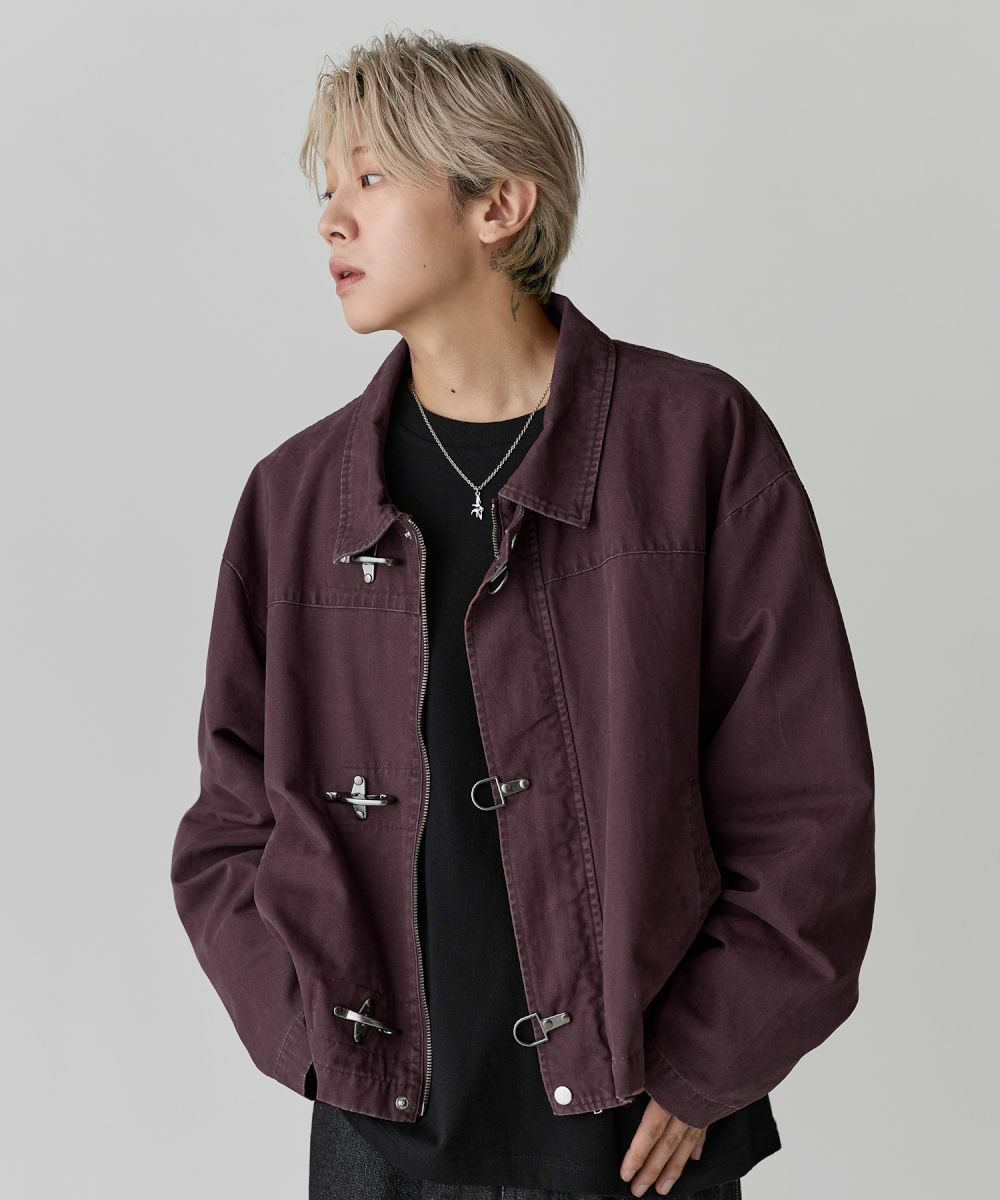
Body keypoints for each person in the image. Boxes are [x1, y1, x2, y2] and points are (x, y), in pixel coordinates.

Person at [171, 28, 875, 1200]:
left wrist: (709, 1064)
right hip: (382, 1137)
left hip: (641, 1135)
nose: (330, 220)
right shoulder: (296, 498)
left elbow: (806, 801)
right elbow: (230, 823)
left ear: (497, 205)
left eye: (370, 178)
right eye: (325, 188)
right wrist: (312, 1039)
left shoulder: (693, 443)